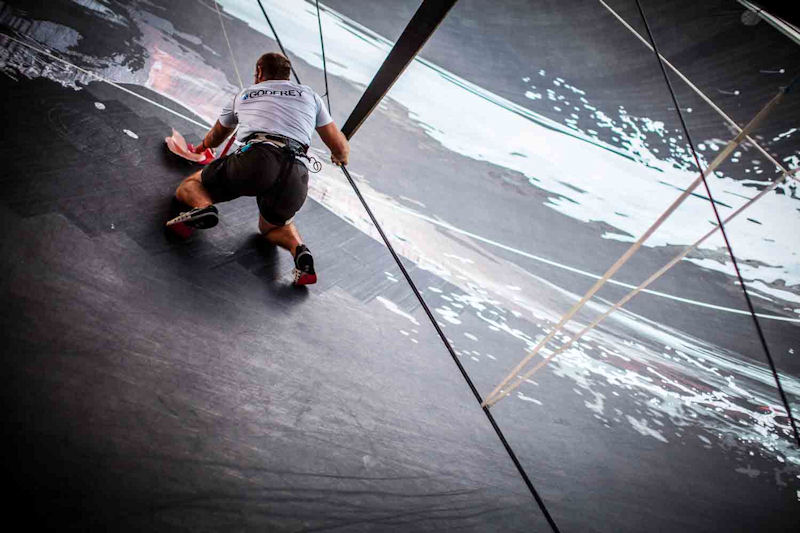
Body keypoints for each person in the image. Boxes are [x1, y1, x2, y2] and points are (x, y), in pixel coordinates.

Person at [166, 52, 349, 286]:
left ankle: (204, 208)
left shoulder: (244, 95)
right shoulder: (310, 96)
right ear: (287, 74)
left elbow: (216, 136)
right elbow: (340, 148)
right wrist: (338, 156)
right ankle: (300, 253)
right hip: (296, 172)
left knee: (192, 185)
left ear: (260, 71)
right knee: (272, 227)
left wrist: (201, 147)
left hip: (258, 158)